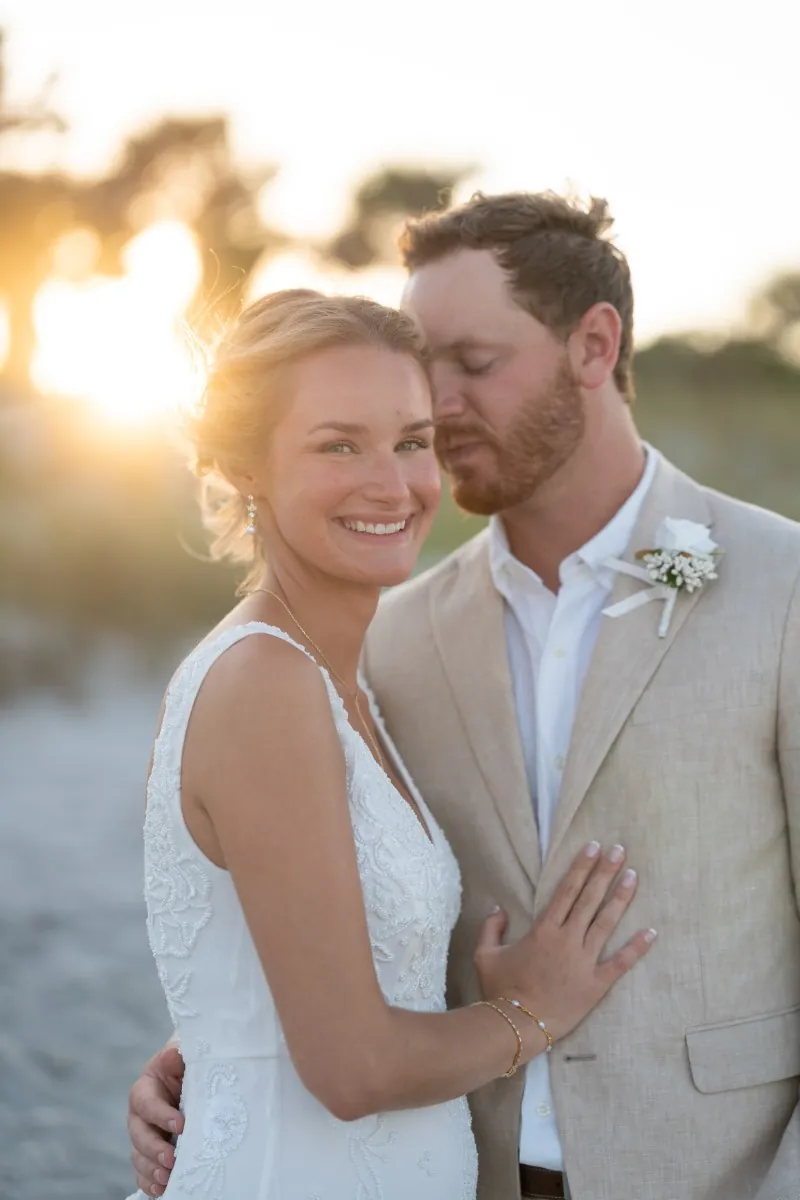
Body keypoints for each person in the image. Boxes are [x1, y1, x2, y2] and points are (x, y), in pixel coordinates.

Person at [128, 192, 800, 1200]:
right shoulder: (387, 633)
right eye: (419, 365)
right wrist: (216, 1051)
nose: (434, 406)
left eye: (470, 364)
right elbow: (338, 920)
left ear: (593, 343)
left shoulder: (778, 585)